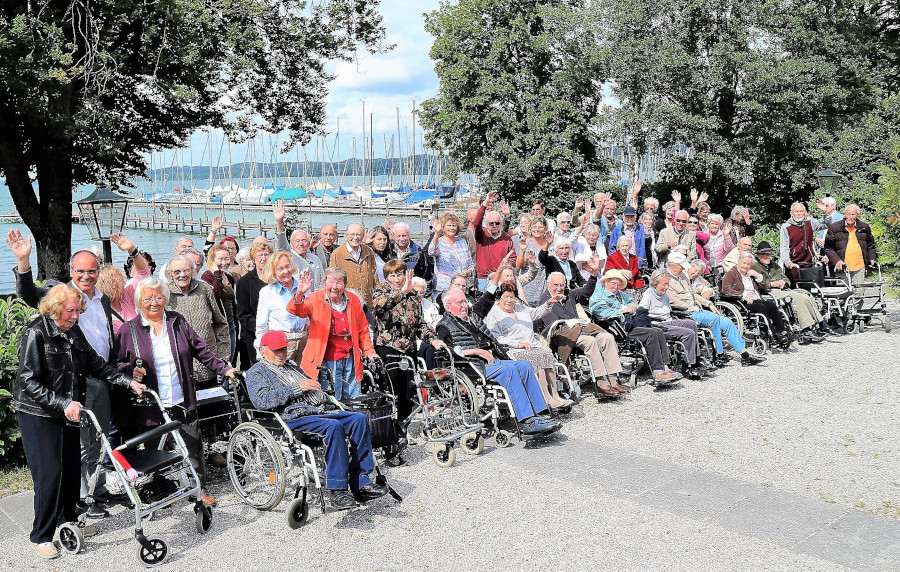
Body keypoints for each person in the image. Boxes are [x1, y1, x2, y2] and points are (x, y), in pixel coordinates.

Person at [13, 284, 144, 560]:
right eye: (71, 310)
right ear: (55, 308)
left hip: (70, 410)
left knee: (71, 469)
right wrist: (62, 403)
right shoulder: (37, 333)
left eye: (78, 311)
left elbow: (96, 364)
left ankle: (67, 522)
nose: (75, 316)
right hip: (39, 413)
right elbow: (26, 381)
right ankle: (41, 535)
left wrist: (127, 381)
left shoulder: (72, 331)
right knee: (50, 475)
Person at [6, 230, 118, 515]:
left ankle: (97, 489)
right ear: (71, 271)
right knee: (78, 445)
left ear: (98, 272)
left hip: (100, 377)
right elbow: (27, 293)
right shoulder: (59, 295)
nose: (86, 276)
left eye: (92, 271)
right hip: (72, 383)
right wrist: (23, 260)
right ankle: (82, 498)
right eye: (80, 271)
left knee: (98, 440)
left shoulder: (103, 298)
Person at [115, 277, 236, 508]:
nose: (154, 302)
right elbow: (117, 364)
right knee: (155, 451)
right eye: (148, 298)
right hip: (150, 402)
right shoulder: (129, 330)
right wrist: (132, 371)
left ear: (165, 299)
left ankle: (200, 490)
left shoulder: (177, 321)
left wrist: (225, 369)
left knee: (193, 447)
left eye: (158, 297)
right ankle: (161, 490)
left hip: (182, 397)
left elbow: (201, 350)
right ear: (140, 301)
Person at [245, 331, 389, 510]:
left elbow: (309, 387)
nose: (282, 353)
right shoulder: (256, 373)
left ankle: (361, 482)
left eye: (283, 349)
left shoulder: (291, 366)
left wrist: (317, 391)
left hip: (317, 409)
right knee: (334, 426)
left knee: (359, 419)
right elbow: (262, 401)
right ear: (262, 350)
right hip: (293, 416)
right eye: (276, 350)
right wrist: (297, 388)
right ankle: (338, 491)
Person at [436, 288, 561, 435]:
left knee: (525, 366)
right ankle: (527, 420)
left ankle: (540, 413)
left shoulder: (472, 318)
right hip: (473, 367)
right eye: (460, 302)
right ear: (448, 306)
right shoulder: (444, 325)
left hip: (490, 360)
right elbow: (447, 352)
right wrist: (476, 351)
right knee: (510, 371)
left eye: (465, 301)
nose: (465, 305)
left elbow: (489, 332)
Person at [536, 264, 629, 397]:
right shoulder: (544, 300)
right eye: (556, 285)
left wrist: (594, 273)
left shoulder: (568, 293)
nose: (559, 288)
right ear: (549, 285)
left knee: (607, 337)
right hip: (562, 334)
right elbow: (553, 325)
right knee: (590, 341)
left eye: (562, 285)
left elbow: (587, 291)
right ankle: (601, 382)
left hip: (579, 328)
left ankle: (613, 379)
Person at [286, 267, 377, 400]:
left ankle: (354, 420)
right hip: (327, 360)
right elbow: (295, 310)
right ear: (324, 283)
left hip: (351, 359)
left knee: (354, 398)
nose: (335, 287)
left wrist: (369, 351)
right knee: (333, 399)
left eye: (339, 283)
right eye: (331, 282)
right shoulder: (315, 298)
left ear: (345, 285)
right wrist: (299, 293)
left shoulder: (353, 299)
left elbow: (363, 329)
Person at [372, 260, 446, 421]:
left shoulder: (413, 296)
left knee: (408, 394)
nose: (397, 279)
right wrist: (402, 293)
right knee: (390, 392)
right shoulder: (382, 290)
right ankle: (387, 429)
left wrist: (433, 340)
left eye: (399, 274)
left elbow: (420, 324)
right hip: (389, 349)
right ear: (386, 277)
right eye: (392, 275)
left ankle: (402, 428)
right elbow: (379, 307)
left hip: (408, 350)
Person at [664, 253, 765, 367]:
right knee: (714, 319)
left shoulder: (682, 276)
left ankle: (744, 355)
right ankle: (718, 354)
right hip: (685, 312)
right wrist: (692, 307)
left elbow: (692, 294)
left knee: (726, 322)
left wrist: (708, 303)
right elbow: (673, 301)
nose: (683, 268)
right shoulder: (666, 279)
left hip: (696, 309)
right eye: (681, 266)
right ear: (673, 265)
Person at [484, 284, 572, 408]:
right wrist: (518, 344)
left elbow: (537, 312)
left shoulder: (521, 309)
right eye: (506, 297)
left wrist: (549, 302)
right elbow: (495, 337)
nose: (509, 300)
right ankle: (547, 398)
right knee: (536, 358)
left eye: (512, 297)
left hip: (531, 345)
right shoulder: (494, 314)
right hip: (513, 349)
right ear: (499, 299)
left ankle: (556, 395)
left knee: (546, 354)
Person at [588, 269, 681, 382]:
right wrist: (622, 310)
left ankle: (665, 367)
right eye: (613, 283)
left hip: (629, 324)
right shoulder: (599, 296)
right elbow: (600, 312)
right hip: (616, 328)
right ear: (606, 282)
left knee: (658, 331)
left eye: (618, 284)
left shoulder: (620, 294)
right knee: (651, 333)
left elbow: (632, 302)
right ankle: (657, 371)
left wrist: (632, 307)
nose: (616, 287)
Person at [164, 254, 231, 382]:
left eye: (186, 270)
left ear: (193, 271)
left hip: (209, 365)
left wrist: (222, 356)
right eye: (177, 272)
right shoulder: (165, 293)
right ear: (170, 274)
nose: (182, 275)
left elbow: (221, 323)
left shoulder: (204, 288)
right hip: (179, 368)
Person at [752, 241, 828, 341]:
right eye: (766, 254)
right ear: (759, 255)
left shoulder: (774, 265)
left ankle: (820, 323)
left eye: (770, 253)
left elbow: (785, 277)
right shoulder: (754, 267)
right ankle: (806, 329)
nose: (769, 256)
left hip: (782, 289)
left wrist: (784, 282)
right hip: (769, 291)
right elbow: (757, 284)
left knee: (806, 294)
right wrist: (772, 284)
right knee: (798, 297)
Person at [639, 270, 705, 379]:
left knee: (692, 324)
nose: (666, 287)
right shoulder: (648, 295)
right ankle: (688, 366)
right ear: (655, 284)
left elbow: (669, 311)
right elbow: (642, 312)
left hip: (669, 319)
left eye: (667, 284)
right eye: (663, 284)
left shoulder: (665, 295)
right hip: (658, 324)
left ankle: (696, 359)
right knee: (688, 333)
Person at [721, 252, 790, 347]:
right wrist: (742, 296)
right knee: (760, 307)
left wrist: (758, 276)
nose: (746, 266)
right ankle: (772, 334)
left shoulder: (750, 274)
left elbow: (765, 288)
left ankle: (781, 331)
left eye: (748, 264)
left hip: (755, 299)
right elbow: (726, 290)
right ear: (738, 262)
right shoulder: (731, 274)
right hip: (741, 302)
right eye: (744, 263)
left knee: (771, 305)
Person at [255, 251, 309, 362]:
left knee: (305, 378)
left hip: (305, 342)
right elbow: (261, 326)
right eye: (280, 269)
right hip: (281, 345)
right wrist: (261, 352)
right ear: (273, 272)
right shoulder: (267, 292)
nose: (286, 271)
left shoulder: (303, 286)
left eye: (287, 266)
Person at [273, 200, 325, 290]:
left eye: (304, 240)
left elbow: (322, 280)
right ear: (291, 244)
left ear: (309, 243)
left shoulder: (315, 259)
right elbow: (281, 244)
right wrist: (279, 222)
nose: (301, 244)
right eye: (297, 241)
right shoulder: (289, 256)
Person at [235, 242, 272, 367]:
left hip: (278, 336)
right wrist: (262, 330)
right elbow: (242, 314)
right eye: (260, 255)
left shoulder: (277, 280)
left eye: (266, 254)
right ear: (253, 258)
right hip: (255, 337)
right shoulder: (244, 283)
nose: (263, 258)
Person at [824, 204, 878, 285]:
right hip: (842, 267)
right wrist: (837, 261)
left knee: (859, 294)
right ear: (845, 214)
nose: (850, 217)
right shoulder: (834, 227)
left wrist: (872, 258)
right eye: (848, 214)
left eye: (853, 214)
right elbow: (828, 248)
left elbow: (871, 245)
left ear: (857, 215)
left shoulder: (864, 227)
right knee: (844, 294)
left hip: (859, 266)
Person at [473, 191, 517, 290]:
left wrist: (501, 271)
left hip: (501, 277)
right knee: (485, 304)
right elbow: (476, 223)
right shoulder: (481, 235)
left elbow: (512, 258)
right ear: (486, 223)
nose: (494, 226)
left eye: (497, 223)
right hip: (484, 278)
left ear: (501, 223)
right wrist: (485, 204)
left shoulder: (506, 237)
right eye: (491, 223)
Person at [202, 244, 238, 361]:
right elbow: (214, 296)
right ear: (212, 260)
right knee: (220, 362)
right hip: (217, 327)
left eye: (226, 258)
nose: (224, 262)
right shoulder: (207, 276)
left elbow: (232, 302)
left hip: (230, 324)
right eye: (220, 259)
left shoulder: (229, 276)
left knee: (229, 361)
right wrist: (217, 274)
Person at [780, 202, 829, 284]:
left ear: (805, 212)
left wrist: (825, 213)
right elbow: (784, 246)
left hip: (809, 263)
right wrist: (787, 261)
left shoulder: (810, 222)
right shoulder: (786, 227)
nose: (799, 214)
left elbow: (825, 225)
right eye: (797, 211)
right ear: (792, 213)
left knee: (813, 287)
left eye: (801, 211)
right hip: (794, 263)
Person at [429, 211, 476, 296]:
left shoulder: (462, 241)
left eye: (454, 225)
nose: (452, 228)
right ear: (443, 227)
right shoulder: (439, 242)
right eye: (449, 225)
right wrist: (437, 233)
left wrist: (468, 272)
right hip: (444, 288)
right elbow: (431, 251)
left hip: (462, 288)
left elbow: (470, 263)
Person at [330, 223, 377, 307]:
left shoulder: (368, 252)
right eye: (352, 234)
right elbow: (332, 281)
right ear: (346, 236)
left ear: (363, 236)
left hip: (367, 304)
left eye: (358, 234)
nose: (355, 237)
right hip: (346, 304)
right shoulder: (337, 254)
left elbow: (375, 278)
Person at [516, 216, 552, 305]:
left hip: (545, 293)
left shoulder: (550, 243)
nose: (537, 229)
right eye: (534, 227)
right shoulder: (527, 244)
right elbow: (519, 266)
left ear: (545, 228)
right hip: (528, 291)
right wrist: (522, 250)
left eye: (540, 227)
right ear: (530, 229)